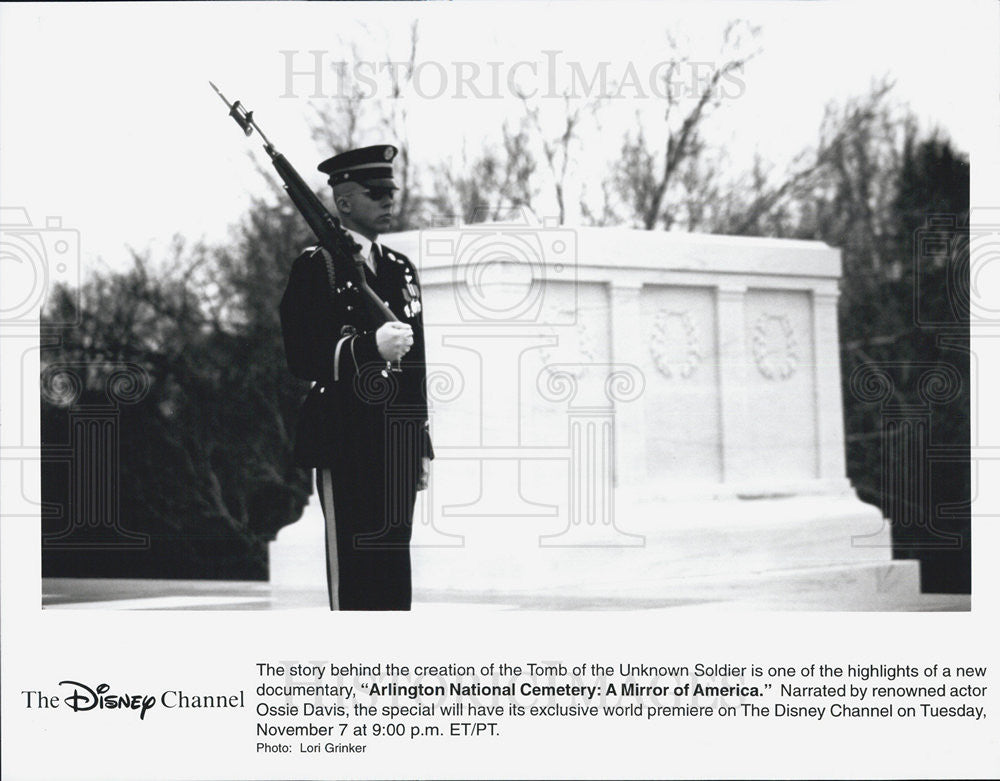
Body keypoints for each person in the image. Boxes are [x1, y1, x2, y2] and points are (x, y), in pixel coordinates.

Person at [279, 144, 432, 611]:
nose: (389, 200)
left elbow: (416, 362)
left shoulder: (400, 270)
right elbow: (301, 354)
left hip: (396, 441)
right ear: (344, 202)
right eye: (376, 192)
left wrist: (421, 441)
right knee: (355, 573)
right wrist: (368, 350)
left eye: (391, 191)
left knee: (392, 570)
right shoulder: (318, 266)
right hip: (345, 437)